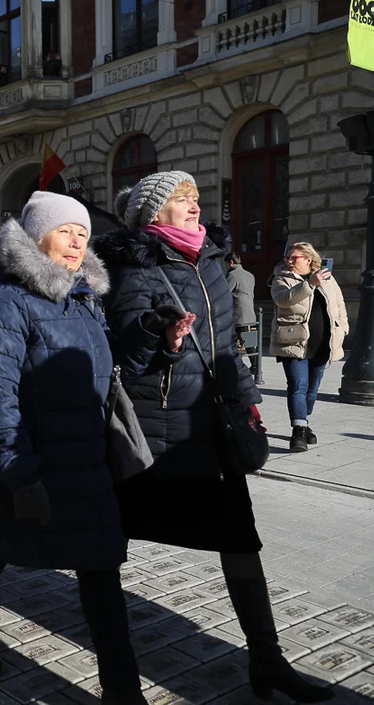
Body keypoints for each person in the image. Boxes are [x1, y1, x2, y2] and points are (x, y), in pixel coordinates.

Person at [95, 172, 331, 703]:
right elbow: (129, 347)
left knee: (241, 542)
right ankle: (117, 678)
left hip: (212, 426)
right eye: (181, 200)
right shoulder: (136, 265)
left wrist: (248, 402)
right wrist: (163, 336)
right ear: (153, 215)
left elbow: (227, 348)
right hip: (157, 434)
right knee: (107, 548)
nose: (193, 207)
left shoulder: (209, 262)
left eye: (195, 198)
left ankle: (268, 662)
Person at [0, 192, 143, 702]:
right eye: (65, 231)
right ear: (38, 237)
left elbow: (106, 373)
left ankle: (123, 692)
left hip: (84, 459)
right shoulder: (5, 301)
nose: (77, 242)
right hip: (28, 455)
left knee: (101, 570)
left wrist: (154, 339)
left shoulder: (84, 298)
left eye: (83, 234)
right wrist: (16, 469)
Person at [270, 242, 349, 454]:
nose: (289, 260)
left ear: (308, 259)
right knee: (298, 386)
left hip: (322, 342)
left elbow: (339, 303)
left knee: (312, 390)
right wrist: (309, 284)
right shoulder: (282, 278)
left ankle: (304, 421)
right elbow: (283, 300)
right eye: (288, 257)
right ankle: (298, 431)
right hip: (293, 342)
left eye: (294, 258)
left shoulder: (326, 278)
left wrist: (343, 327)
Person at [226, 252, 256, 326]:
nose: (225, 267)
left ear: (231, 262)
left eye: (226, 264)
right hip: (251, 316)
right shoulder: (250, 275)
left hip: (238, 316)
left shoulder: (232, 275)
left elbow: (225, 294)